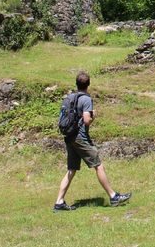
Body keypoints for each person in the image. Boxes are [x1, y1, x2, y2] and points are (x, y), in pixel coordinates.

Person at [54, 71, 131, 211]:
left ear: (76, 84)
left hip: (69, 137)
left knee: (71, 169)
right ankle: (113, 197)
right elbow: (86, 121)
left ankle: (59, 202)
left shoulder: (70, 97)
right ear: (88, 84)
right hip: (80, 138)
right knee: (98, 165)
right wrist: (93, 115)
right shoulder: (86, 99)